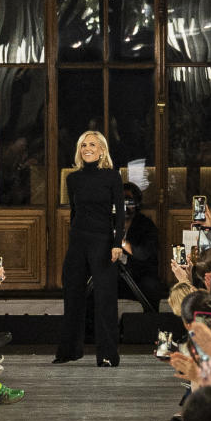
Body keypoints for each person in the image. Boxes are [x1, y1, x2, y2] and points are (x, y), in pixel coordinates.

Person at [54, 131, 124, 367]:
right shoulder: (72, 179)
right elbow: (75, 212)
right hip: (78, 241)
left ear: (102, 150)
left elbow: (121, 214)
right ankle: (69, 351)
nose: (87, 148)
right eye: (83, 144)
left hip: (103, 241)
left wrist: (117, 244)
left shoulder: (112, 177)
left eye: (92, 144)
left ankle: (107, 355)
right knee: (72, 293)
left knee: (105, 298)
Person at [119, 182, 163, 310]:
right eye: (121, 201)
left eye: (129, 202)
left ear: (137, 204)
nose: (125, 206)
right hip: (115, 277)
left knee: (152, 286)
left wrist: (121, 242)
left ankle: (150, 326)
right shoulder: (109, 222)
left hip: (139, 276)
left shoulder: (146, 225)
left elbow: (144, 253)